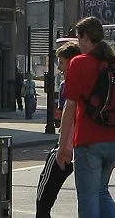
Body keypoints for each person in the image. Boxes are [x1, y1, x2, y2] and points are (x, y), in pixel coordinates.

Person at [57, 16, 115, 218]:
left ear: (86, 37)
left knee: (88, 197)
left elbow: (70, 106)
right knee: (102, 192)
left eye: (79, 39)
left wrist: (63, 147)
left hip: (89, 142)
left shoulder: (79, 63)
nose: (78, 44)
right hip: (113, 141)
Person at [35, 41, 82, 218]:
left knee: (43, 196)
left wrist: (63, 147)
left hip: (66, 146)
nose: (59, 67)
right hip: (82, 145)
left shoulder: (67, 84)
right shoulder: (89, 81)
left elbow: (67, 115)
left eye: (62, 62)